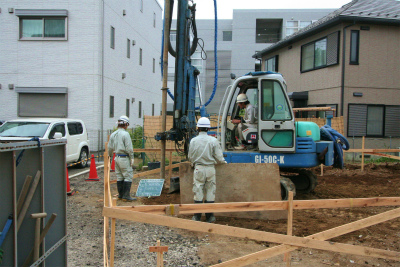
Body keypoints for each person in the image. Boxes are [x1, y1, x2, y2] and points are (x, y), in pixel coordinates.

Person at [188, 117, 227, 223]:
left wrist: (193, 162)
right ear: (208, 128)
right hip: (210, 169)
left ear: (198, 128)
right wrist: (224, 162)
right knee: (210, 191)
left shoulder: (193, 141)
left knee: (198, 190)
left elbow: (190, 157)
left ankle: (197, 217)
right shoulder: (213, 140)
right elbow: (219, 158)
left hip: (198, 168)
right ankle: (210, 217)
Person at [108, 115, 136, 202]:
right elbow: (129, 148)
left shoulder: (113, 134)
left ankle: (120, 195)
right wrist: (132, 157)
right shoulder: (125, 134)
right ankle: (126, 196)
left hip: (116, 158)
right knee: (127, 176)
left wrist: (110, 156)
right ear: (126, 124)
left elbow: (109, 147)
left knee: (119, 176)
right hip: (124, 158)